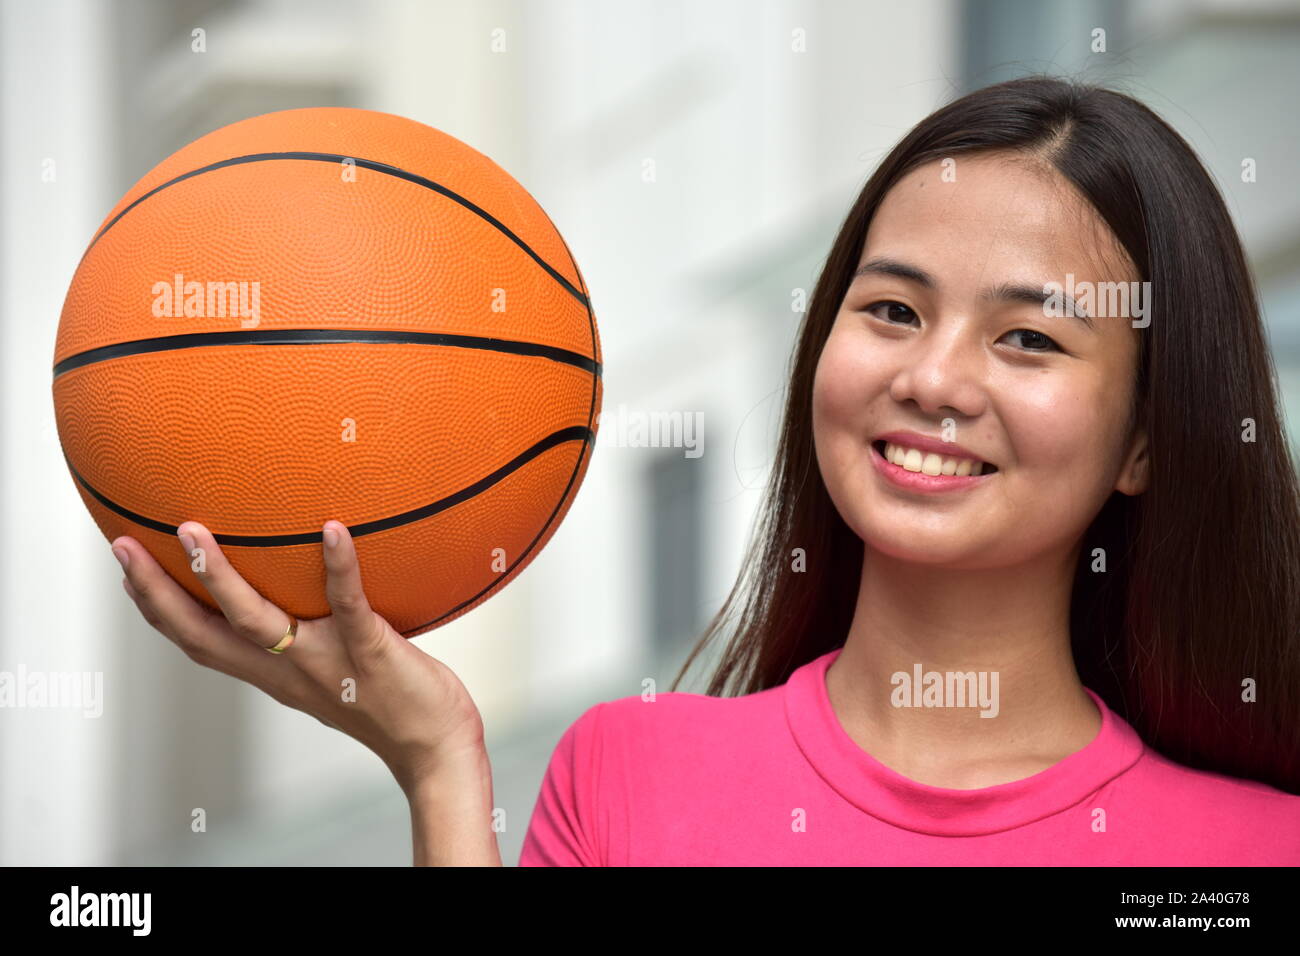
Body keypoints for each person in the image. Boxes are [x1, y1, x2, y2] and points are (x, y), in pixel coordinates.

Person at [110, 75, 1300, 866]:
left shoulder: (1252, 856)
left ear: (1145, 438)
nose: (934, 377)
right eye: (890, 308)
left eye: (1027, 336)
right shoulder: (630, 779)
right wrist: (435, 762)